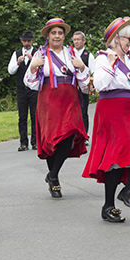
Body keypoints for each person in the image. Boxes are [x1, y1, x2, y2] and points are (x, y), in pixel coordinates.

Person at [83, 18, 130, 222]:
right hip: (111, 111)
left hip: (129, 109)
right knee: (114, 159)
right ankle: (109, 206)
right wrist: (113, 64)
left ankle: (127, 190)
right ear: (116, 39)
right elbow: (101, 84)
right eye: (129, 39)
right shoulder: (103, 58)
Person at [25, 18, 89, 198]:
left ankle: (52, 175)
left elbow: (84, 84)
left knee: (68, 138)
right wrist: (32, 67)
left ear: (64, 36)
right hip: (48, 101)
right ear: (48, 35)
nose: (57, 36)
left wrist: (82, 67)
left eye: (60, 33)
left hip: (70, 100)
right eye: (53, 33)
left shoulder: (72, 53)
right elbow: (30, 84)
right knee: (50, 140)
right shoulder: (40, 54)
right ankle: (54, 178)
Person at [7, 30, 38, 151]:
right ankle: (23, 142)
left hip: (34, 89)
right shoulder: (16, 54)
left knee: (35, 116)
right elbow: (10, 71)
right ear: (21, 41)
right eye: (25, 41)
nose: (27, 43)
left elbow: (41, 70)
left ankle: (35, 142)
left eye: (29, 41)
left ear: (32, 41)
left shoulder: (37, 53)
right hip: (21, 89)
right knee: (22, 116)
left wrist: (32, 61)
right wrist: (18, 62)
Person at [72, 31, 96, 136]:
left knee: (83, 111)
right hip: (72, 87)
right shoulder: (69, 53)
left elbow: (93, 72)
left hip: (83, 88)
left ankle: (84, 134)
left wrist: (92, 88)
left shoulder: (88, 55)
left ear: (83, 41)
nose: (76, 42)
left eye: (78, 39)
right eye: (74, 40)